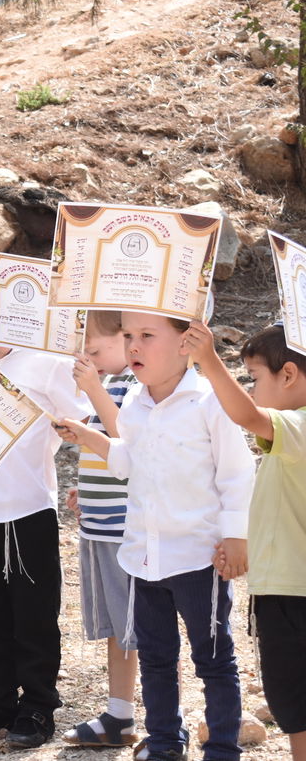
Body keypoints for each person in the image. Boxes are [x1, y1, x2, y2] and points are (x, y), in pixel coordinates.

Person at [57, 313, 253, 761]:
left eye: (147, 336)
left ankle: (223, 747)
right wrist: (91, 437)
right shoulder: (136, 404)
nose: (134, 347)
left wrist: (236, 536)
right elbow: (131, 460)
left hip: (198, 558)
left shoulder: (209, 401)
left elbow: (237, 473)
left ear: (187, 343)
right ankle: (165, 741)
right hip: (143, 557)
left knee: (214, 660)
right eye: (128, 337)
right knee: (156, 657)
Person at [0, 275, 90, 751]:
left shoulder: (46, 363)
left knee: (33, 613)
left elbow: (83, 419)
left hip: (28, 509)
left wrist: (68, 424)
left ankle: (38, 705)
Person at [184, 320, 306, 761]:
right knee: (292, 704)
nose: (252, 391)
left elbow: (248, 415)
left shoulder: (297, 427)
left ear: (288, 374)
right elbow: (284, 510)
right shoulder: (288, 440)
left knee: (297, 700)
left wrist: (210, 362)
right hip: (280, 588)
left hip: (295, 595)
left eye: (255, 378)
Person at [62, 310, 142, 749]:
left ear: (126, 340)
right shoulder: (111, 384)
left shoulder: (131, 385)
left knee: (128, 625)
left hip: (123, 529)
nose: (89, 359)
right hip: (99, 522)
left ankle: (125, 712)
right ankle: (119, 712)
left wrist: (92, 389)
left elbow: (123, 436)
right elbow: (104, 457)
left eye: (95, 350)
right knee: (114, 624)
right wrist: (84, 490)